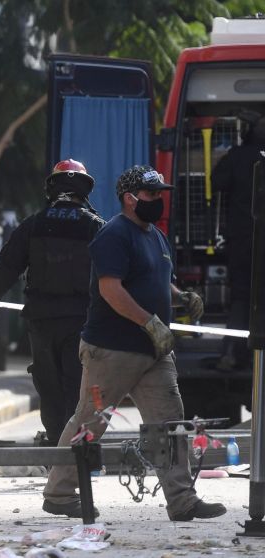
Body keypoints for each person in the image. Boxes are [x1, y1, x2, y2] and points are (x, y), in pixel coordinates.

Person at [41, 165, 224, 521]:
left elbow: (157, 278)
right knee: (89, 421)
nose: (159, 200)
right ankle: (59, 493)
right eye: (153, 195)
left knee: (169, 424)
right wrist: (149, 323)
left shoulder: (154, 235)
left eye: (159, 194)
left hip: (153, 351)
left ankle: (182, 500)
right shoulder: (114, 234)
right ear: (130, 198)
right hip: (113, 351)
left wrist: (181, 296)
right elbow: (111, 289)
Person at [0, 159, 105, 446]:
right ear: (84, 189)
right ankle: (77, 455)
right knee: (78, 388)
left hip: (42, 323)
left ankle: (57, 455)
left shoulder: (33, 225)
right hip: (80, 323)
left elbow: (7, 268)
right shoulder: (95, 227)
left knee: (49, 389)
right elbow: (112, 277)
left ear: (52, 187)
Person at [205, 116, 265, 371]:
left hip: (244, 239)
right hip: (246, 238)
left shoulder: (238, 156)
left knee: (241, 297)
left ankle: (231, 353)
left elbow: (217, 182)